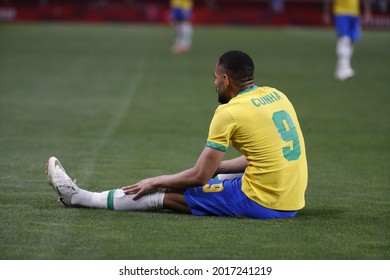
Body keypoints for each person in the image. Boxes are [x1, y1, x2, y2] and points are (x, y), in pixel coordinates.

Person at [46, 50, 308, 220]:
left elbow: (199, 175)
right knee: (215, 175)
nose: (214, 82)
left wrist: (158, 180)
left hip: (264, 202)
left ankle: (79, 197)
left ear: (226, 80)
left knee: (161, 193)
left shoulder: (229, 112)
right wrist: (220, 168)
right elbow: (266, 155)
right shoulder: (277, 95)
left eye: (216, 77)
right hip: (291, 196)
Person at [324, 0, 372, 81]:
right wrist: (326, 13)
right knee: (344, 40)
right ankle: (345, 68)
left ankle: (340, 69)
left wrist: (367, 11)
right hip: (340, 12)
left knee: (352, 41)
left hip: (354, 13)